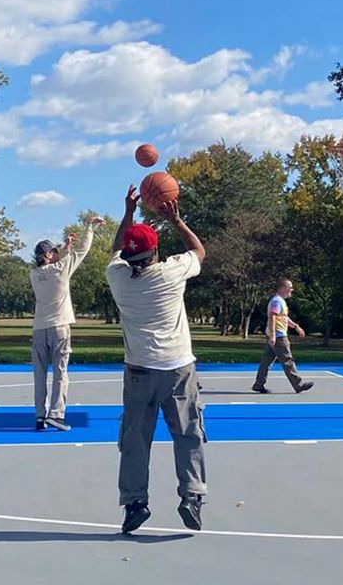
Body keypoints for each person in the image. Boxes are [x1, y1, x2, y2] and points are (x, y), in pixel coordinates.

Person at [105, 185, 208, 534]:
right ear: (156, 250)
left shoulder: (117, 278)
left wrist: (129, 212)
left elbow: (117, 249)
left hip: (139, 372)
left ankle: (135, 504)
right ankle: (192, 496)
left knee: (135, 441)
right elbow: (198, 250)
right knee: (188, 434)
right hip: (178, 367)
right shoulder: (172, 272)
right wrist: (176, 221)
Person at [30, 216, 105, 431]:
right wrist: (89, 227)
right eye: (53, 251)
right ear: (48, 255)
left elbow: (53, 263)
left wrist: (63, 250)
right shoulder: (61, 269)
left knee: (39, 375)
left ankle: (39, 417)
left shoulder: (33, 274)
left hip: (39, 329)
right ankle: (57, 414)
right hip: (60, 327)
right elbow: (83, 250)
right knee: (60, 373)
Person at [251, 278, 315, 395]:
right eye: (290, 287)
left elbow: (283, 318)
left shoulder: (280, 301)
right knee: (287, 360)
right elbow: (272, 317)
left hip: (275, 335)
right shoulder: (277, 301)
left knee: (266, 361)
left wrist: (296, 326)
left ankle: (258, 384)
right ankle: (299, 385)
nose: (292, 290)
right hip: (279, 336)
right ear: (283, 288)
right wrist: (273, 336)